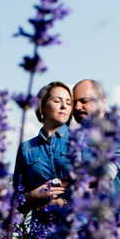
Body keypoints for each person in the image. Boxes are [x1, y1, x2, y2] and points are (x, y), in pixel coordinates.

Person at [14, 81, 74, 213]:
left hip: (77, 227)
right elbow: (15, 203)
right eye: (57, 101)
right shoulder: (27, 149)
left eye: (69, 103)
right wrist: (33, 196)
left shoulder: (79, 140)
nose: (64, 106)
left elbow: (94, 187)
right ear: (43, 106)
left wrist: (64, 203)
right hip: (42, 229)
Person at [71, 78, 120, 195]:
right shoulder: (73, 137)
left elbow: (104, 175)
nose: (77, 107)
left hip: (116, 212)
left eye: (84, 101)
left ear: (102, 101)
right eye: (74, 103)